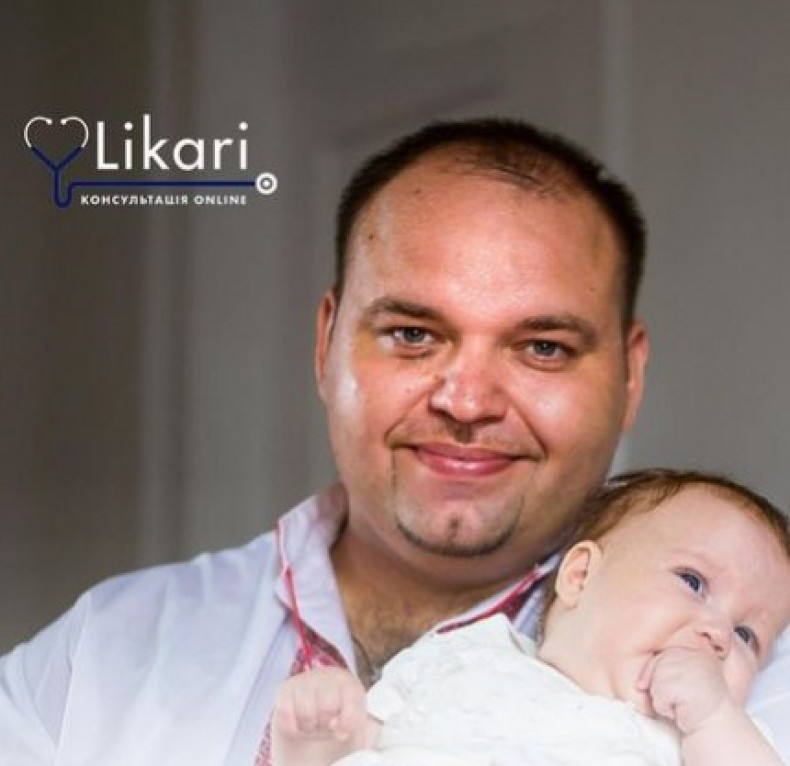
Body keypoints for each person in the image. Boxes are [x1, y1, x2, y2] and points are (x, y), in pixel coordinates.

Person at [0, 117, 787, 766]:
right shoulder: (100, 656)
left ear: (630, 374)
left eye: (543, 347)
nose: (467, 402)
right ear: (327, 343)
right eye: (412, 333)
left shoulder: (746, 677)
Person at [271, 469, 790, 766]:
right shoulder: (466, 656)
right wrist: (319, 737)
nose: (718, 635)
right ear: (580, 575)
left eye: (748, 635)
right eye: (693, 582)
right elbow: (366, 742)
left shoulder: (703, 743)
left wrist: (712, 717)